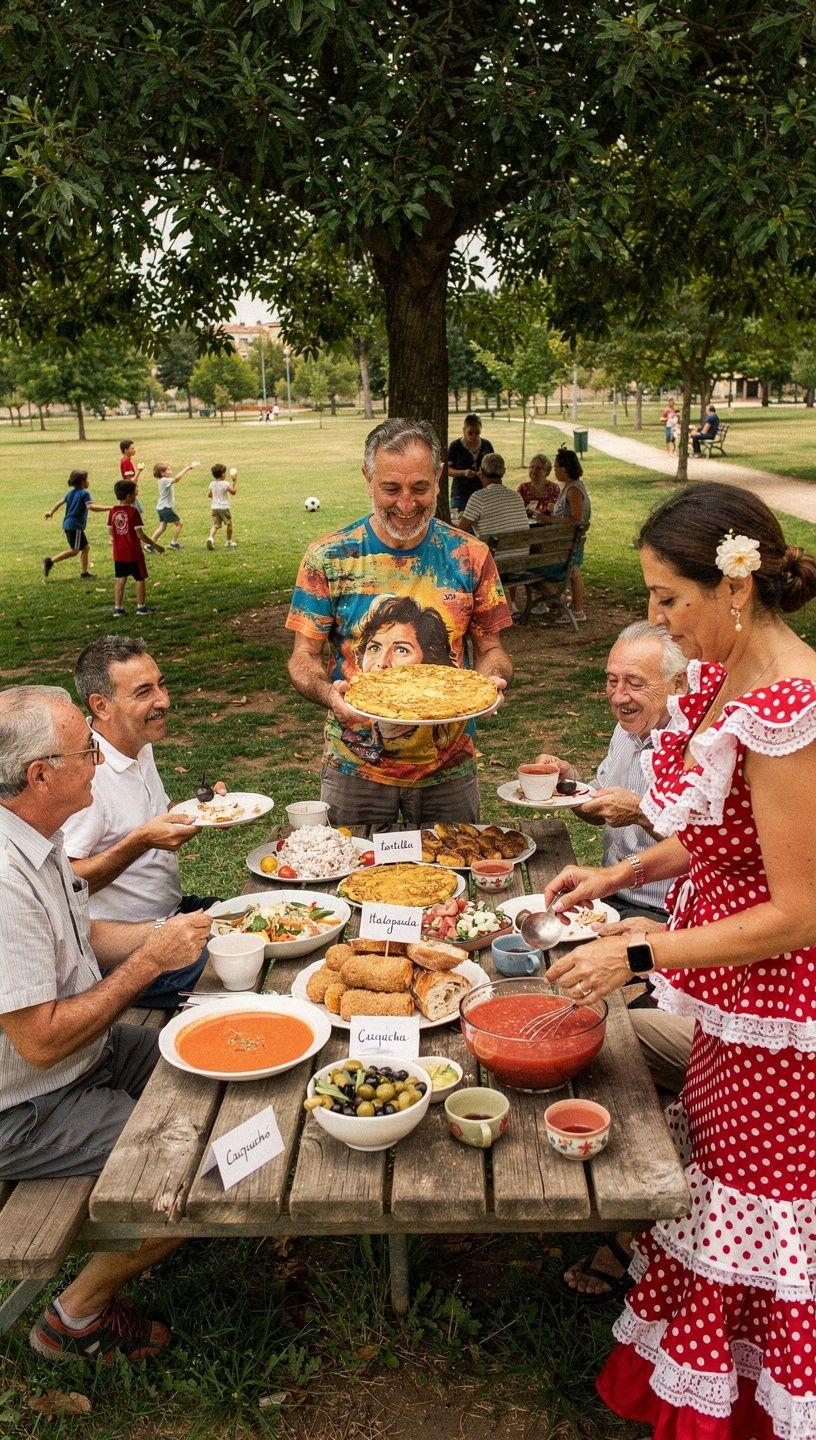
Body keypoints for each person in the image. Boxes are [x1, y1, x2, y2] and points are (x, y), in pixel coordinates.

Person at [540, 482, 816, 1439]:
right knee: (716, 1173)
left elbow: (798, 911)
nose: (658, 619)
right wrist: (619, 883)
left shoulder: (791, 707)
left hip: (781, 1008)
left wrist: (644, 949)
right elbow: (715, 837)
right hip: (731, 994)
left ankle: (752, 1408)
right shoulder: (728, 678)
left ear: (733, 587)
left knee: (758, 1199)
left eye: (667, 598)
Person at [0, 684, 212, 1361]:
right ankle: (75, 1315)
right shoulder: (3, 881)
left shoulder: (35, 834)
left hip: (82, 1058)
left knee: (215, 1061)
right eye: (85, 750)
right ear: (41, 775)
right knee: (210, 1166)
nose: (98, 758)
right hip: (27, 1103)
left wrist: (171, 932)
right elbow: (40, 1042)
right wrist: (151, 963)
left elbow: (79, 937)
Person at [287, 417, 513, 826]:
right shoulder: (329, 558)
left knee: (453, 876)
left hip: (448, 767)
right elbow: (303, 657)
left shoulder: (471, 556)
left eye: (420, 488)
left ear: (439, 477)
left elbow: (493, 650)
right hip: (354, 769)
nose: (407, 504)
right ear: (367, 479)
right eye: (391, 488)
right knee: (349, 878)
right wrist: (328, 693)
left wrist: (490, 681)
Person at [62, 635, 222, 1006]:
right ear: (101, 706)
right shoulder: (85, 775)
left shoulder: (135, 741)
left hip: (171, 914)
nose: (162, 701)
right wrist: (141, 841)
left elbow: (151, 815)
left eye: (161, 684)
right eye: (144, 692)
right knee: (238, 961)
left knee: (266, 922)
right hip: (119, 953)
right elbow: (64, 885)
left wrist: (205, 811)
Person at [537, 445, 591, 622]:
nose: (555, 471)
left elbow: (576, 518)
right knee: (574, 572)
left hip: (568, 543)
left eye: (556, 468)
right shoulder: (571, 487)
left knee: (536, 569)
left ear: (565, 469)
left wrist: (549, 521)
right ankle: (574, 609)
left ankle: (568, 606)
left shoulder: (574, 490)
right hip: (568, 542)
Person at [42, 469, 108, 580]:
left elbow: (59, 503)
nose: (88, 481)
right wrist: (109, 508)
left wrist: (51, 512)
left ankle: (84, 573)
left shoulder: (70, 493)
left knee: (86, 548)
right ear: (82, 482)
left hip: (69, 524)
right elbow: (91, 507)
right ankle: (50, 561)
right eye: (87, 479)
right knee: (74, 550)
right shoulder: (85, 493)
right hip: (75, 526)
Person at [109, 479, 162, 617]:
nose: (135, 496)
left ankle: (117, 608)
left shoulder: (113, 511)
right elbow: (140, 535)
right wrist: (155, 545)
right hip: (133, 553)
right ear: (128, 496)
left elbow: (111, 531)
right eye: (134, 494)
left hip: (118, 553)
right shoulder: (133, 512)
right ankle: (141, 607)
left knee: (121, 578)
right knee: (140, 578)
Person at [458, 453, 529, 539]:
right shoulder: (517, 497)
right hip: (522, 551)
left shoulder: (479, 498)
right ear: (504, 471)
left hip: (494, 552)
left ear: (481, 471)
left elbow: (460, 531)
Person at [446, 414, 494, 522]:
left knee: (482, 524)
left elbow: (493, 468)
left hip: (482, 493)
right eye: (470, 433)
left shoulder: (486, 445)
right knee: (457, 523)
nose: (474, 436)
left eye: (477, 433)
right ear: (464, 430)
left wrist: (485, 473)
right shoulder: (455, 446)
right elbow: (447, 470)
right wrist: (463, 473)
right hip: (460, 494)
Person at [149, 458, 200, 550]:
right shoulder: (164, 480)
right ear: (162, 473)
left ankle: (150, 545)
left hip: (161, 508)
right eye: (168, 469)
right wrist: (188, 467)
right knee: (179, 524)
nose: (170, 471)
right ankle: (173, 543)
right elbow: (176, 479)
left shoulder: (163, 480)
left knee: (162, 527)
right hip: (166, 508)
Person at [518, 453, 560, 521]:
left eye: (538, 468)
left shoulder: (554, 488)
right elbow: (518, 511)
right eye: (531, 467)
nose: (534, 471)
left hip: (548, 527)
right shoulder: (523, 488)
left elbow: (559, 511)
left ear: (547, 472)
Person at [206, 464, 238, 549]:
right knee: (229, 524)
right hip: (224, 507)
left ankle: (211, 538)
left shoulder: (212, 484)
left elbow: (209, 495)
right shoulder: (225, 484)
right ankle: (229, 541)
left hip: (214, 507)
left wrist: (216, 496)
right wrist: (234, 483)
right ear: (223, 474)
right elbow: (233, 492)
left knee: (215, 525)